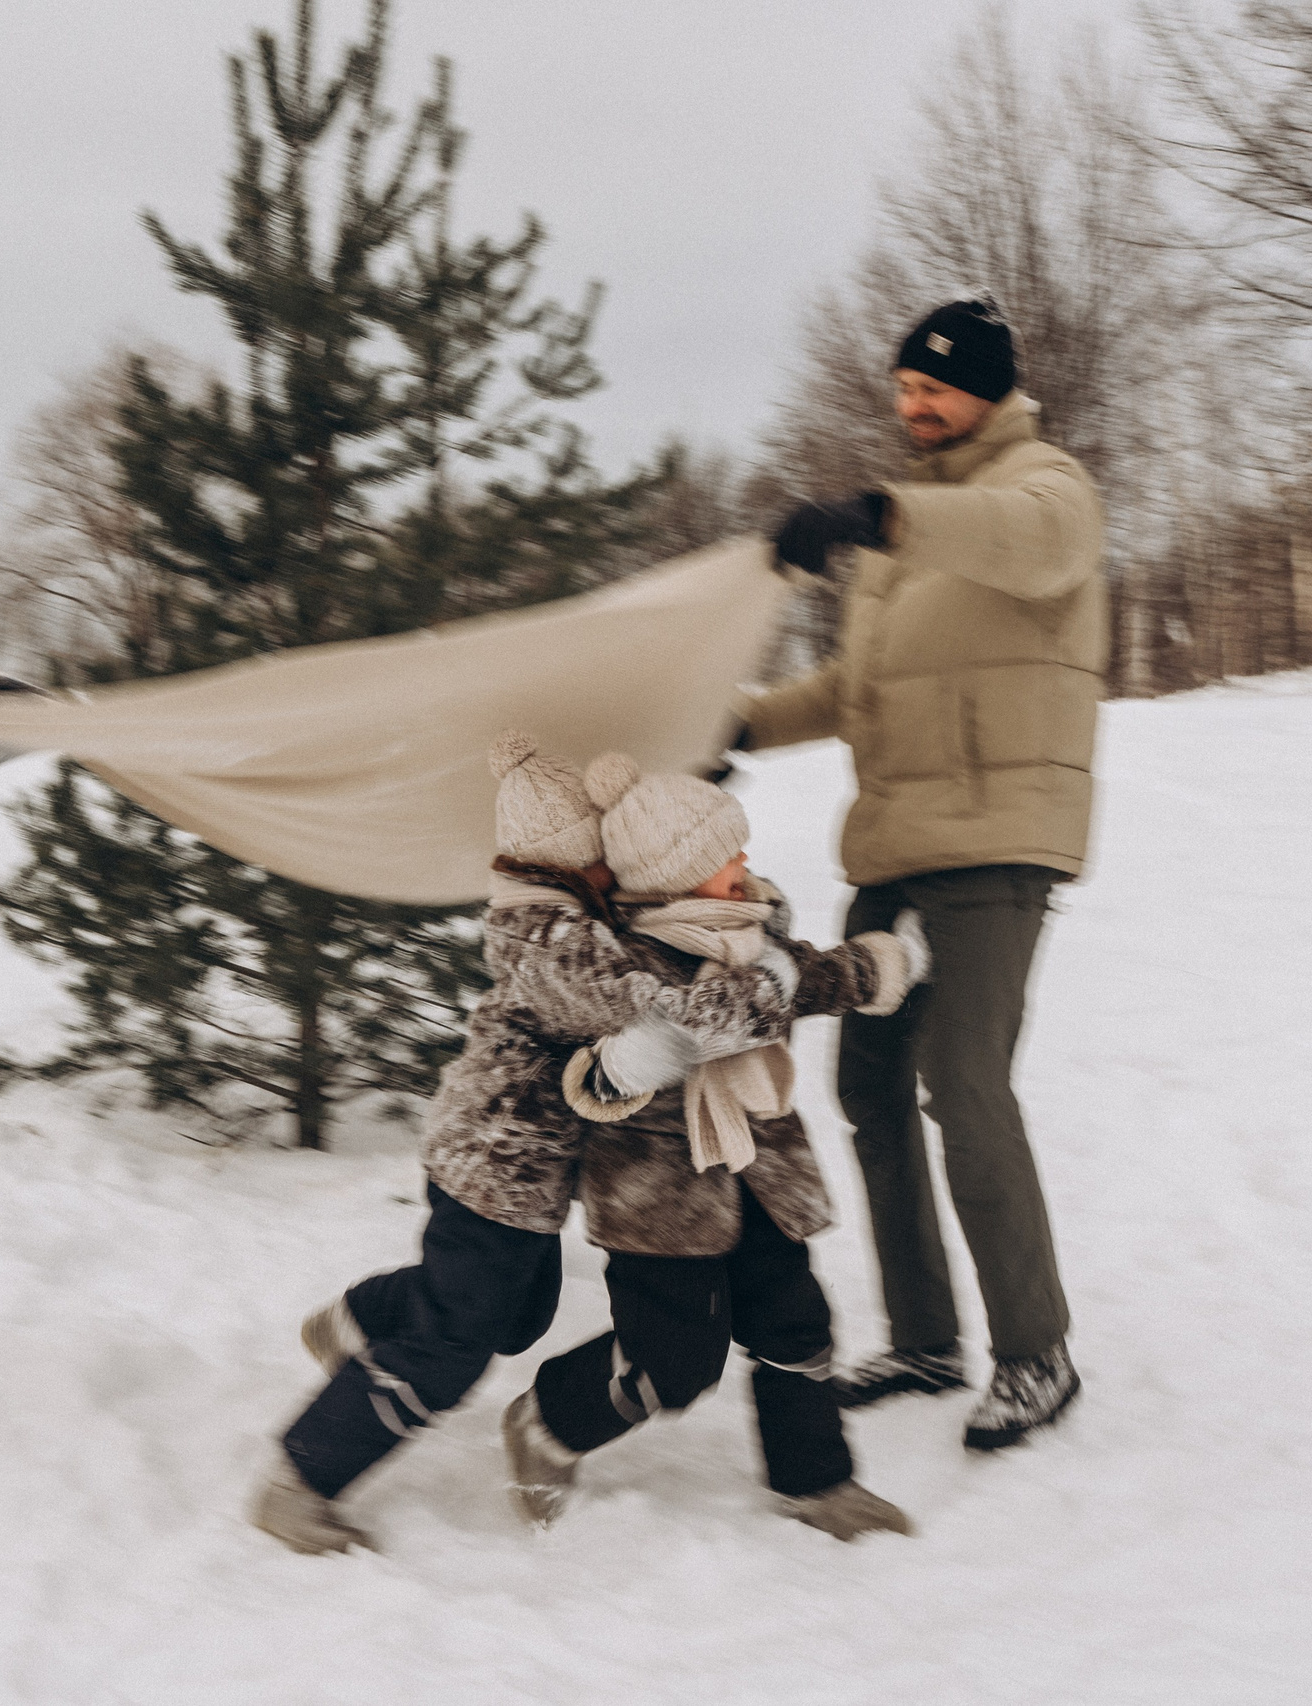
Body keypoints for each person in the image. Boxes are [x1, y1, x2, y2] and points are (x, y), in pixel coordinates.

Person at [252, 732, 911, 1553]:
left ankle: (817, 1479)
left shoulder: (704, 926)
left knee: (527, 1313)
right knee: (460, 1334)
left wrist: (862, 970)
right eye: (599, 862)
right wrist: (778, 980)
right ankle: (304, 1474)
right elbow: (677, 1021)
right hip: (502, 1164)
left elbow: (763, 982)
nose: (609, 871)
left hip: (681, 1163)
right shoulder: (560, 951)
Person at [745, 298, 1106, 1452]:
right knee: (868, 1085)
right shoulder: (901, 554)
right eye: (901, 388)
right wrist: (737, 724)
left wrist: (878, 513)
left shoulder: (1045, 489)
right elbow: (853, 691)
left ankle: (1035, 1350)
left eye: (934, 387)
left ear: (989, 388)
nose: (912, 406)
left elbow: (1021, 538)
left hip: (996, 843)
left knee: (967, 1083)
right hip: (896, 848)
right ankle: (922, 1336)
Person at [492, 754, 919, 1542]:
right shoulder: (628, 967)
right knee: (674, 1360)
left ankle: (817, 1479)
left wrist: (881, 965)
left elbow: (809, 978)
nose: (745, 865)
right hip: (662, 1202)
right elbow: (695, 1023)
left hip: (757, 1175)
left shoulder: (751, 940)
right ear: (676, 876)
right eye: (728, 856)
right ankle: (548, 1420)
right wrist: (776, 984)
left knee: (797, 1323)